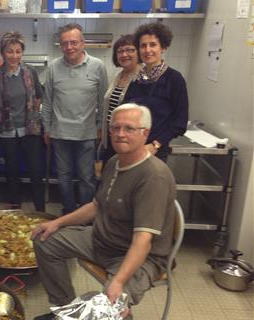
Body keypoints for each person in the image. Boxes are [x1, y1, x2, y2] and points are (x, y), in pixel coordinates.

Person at [32, 103, 176, 320]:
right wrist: (57, 223)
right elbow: (97, 206)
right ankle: (64, 310)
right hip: (103, 239)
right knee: (45, 241)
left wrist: (118, 281)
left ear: (145, 133)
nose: (120, 134)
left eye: (129, 128)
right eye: (115, 128)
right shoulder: (114, 162)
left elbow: (143, 241)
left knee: (108, 305)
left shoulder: (154, 176)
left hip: (141, 257)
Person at [42, 23, 108, 215]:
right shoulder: (54, 67)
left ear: (83, 43)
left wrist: (100, 128)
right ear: (60, 45)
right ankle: (69, 212)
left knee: (87, 178)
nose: (69, 47)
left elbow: (103, 102)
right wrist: (47, 128)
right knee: (63, 177)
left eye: (73, 42)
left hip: (86, 134)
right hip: (60, 133)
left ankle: (85, 216)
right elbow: (47, 101)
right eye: (64, 43)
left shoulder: (98, 66)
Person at [0, 31, 45, 212]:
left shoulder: (30, 73)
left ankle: (40, 208)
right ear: (2, 53)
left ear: (22, 53)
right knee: (11, 171)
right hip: (7, 131)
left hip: (29, 130)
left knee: (35, 170)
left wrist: (32, 115)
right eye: (10, 51)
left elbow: (38, 96)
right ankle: (15, 207)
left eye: (18, 51)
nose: (14, 56)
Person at [123, 22, 189, 162]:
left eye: (153, 45)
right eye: (143, 46)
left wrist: (155, 144)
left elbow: (180, 122)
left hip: (154, 151)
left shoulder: (174, 79)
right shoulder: (136, 79)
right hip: (132, 148)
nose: (147, 50)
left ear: (163, 47)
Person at [101, 34, 141, 163]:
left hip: (129, 141)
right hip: (113, 138)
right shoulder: (118, 77)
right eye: (120, 51)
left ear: (138, 52)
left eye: (130, 50)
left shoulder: (142, 79)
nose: (124, 55)